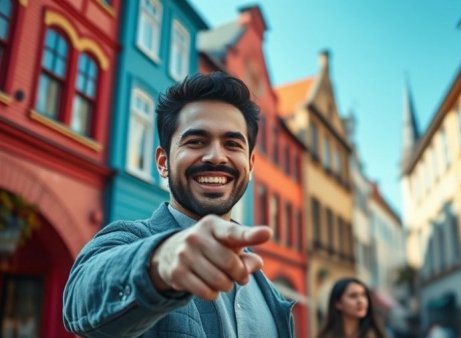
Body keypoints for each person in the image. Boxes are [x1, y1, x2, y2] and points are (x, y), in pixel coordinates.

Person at [62, 72, 295, 337]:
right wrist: (161, 264)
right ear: (163, 162)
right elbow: (79, 301)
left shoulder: (270, 293)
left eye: (232, 144)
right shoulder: (131, 239)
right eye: (196, 141)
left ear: (250, 164)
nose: (216, 156)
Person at [317, 277, 388, 338]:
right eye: (353, 296)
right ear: (338, 304)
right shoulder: (328, 335)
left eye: (364, 295)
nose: (361, 301)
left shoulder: (375, 334)